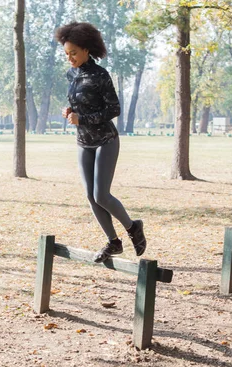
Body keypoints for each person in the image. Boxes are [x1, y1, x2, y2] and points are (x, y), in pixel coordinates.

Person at [55, 21, 146, 262]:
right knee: (89, 195)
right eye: (66, 54)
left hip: (105, 140)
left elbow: (113, 108)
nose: (70, 58)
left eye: (73, 53)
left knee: (101, 195)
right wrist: (71, 110)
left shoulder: (100, 75)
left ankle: (132, 227)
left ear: (86, 49)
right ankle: (113, 243)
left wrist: (82, 117)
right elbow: (79, 102)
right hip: (83, 142)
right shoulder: (71, 74)